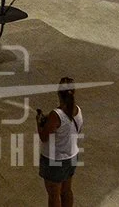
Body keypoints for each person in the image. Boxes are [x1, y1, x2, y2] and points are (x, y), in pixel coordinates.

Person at [38, 77, 84, 207]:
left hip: (55, 159)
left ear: (58, 93)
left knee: (53, 195)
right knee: (66, 190)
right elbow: (77, 130)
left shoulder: (56, 115)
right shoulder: (78, 111)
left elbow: (44, 136)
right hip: (72, 156)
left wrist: (39, 123)